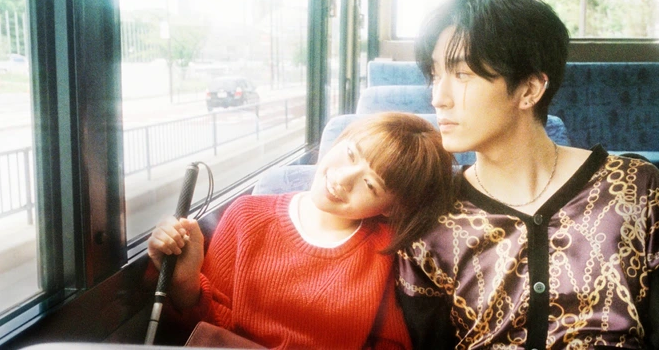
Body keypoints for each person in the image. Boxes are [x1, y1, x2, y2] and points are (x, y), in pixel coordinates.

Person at [395, 0, 659, 350]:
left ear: (529, 89)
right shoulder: (434, 211)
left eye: (461, 74)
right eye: (435, 75)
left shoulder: (632, 190)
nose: (438, 97)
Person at [147, 112, 454, 349]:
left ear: (390, 208)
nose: (343, 179)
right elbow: (210, 331)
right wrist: (185, 283)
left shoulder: (387, 251)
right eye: (350, 154)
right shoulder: (245, 216)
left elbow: (390, 344)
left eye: (370, 184)